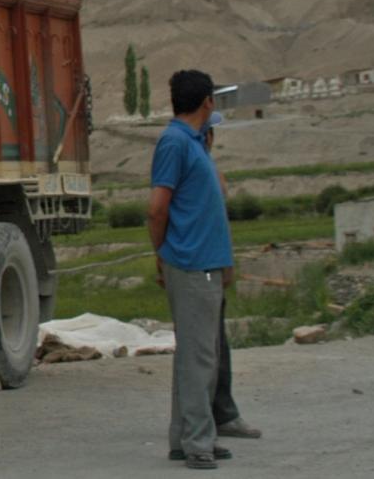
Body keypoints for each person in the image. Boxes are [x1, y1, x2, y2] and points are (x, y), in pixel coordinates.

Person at [147, 70, 234, 470]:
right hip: (190, 263)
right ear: (207, 102)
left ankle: (187, 437)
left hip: (206, 262)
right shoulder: (175, 142)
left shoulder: (195, 143)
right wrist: (163, 253)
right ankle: (199, 442)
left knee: (200, 355)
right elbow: (157, 209)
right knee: (199, 358)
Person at [201, 114, 262, 442]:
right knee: (210, 344)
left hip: (202, 263)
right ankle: (218, 414)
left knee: (209, 344)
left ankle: (208, 415)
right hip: (203, 265)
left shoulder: (197, 163)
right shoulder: (201, 166)